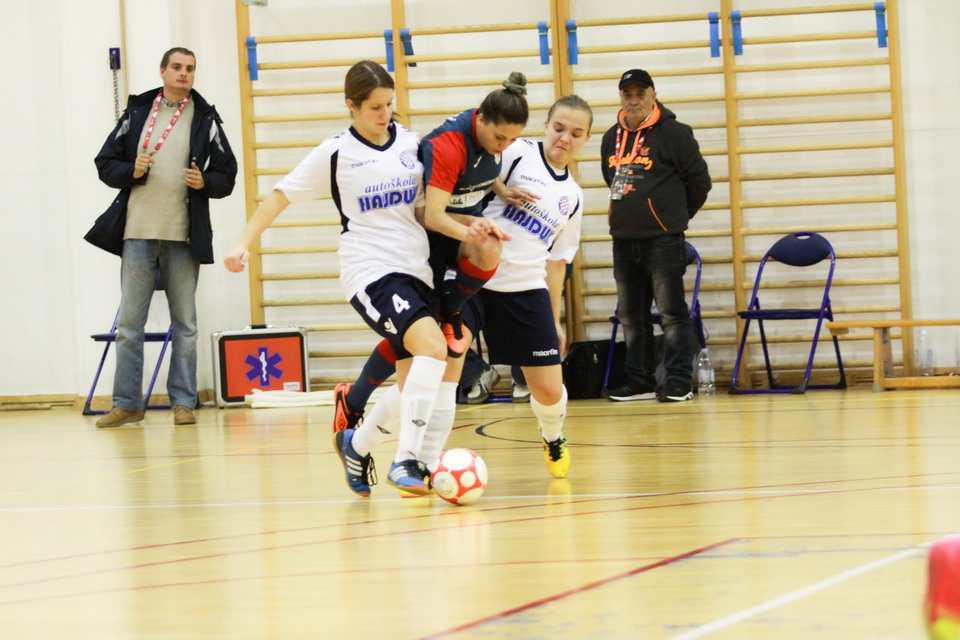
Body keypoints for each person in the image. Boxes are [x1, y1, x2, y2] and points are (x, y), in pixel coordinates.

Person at [223, 61, 500, 498]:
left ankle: (357, 443)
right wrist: (242, 243)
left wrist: (486, 209)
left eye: (389, 104)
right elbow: (278, 197)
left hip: (417, 269)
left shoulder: (411, 144)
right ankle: (408, 463)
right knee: (434, 347)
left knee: (431, 375)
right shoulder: (336, 153)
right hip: (370, 271)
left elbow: (444, 192)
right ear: (350, 106)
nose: (384, 113)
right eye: (374, 107)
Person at [345, 95, 593, 481]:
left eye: (576, 134)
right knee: (435, 368)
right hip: (472, 278)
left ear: (586, 139)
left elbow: (557, 261)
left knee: (547, 390)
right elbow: (466, 164)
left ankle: (553, 436)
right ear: (545, 125)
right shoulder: (513, 151)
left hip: (525, 290)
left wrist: (556, 317)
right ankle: (415, 462)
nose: (564, 138)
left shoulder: (573, 196)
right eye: (558, 128)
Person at [331, 74, 532, 433]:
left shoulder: (486, 134)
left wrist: (500, 188)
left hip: (449, 232)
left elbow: (480, 167)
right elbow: (432, 214)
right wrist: (471, 227)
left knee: (422, 340)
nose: (505, 146)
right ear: (481, 119)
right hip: (423, 242)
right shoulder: (448, 144)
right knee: (413, 344)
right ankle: (361, 412)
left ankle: (362, 410)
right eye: (501, 138)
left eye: (512, 140)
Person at [86, 47, 237, 428]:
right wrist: (130, 170)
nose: (184, 74)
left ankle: (183, 403)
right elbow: (105, 163)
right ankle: (126, 404)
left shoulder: (205, 117)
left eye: (190, 68)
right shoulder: (137, 111)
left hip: (184, 236)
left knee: (185, 324)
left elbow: (228, 173)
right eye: (177, 67)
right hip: (137, 233)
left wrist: (206, 182)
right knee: (129, 326)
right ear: (163, 71)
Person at [599, 69, 711, 403]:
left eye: (640, 94)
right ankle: (640, 380)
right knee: (632, 316)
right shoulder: (610, 137)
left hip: (663, 240)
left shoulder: (675, 133)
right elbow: (612, 179)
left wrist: (674, 219)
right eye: (627, 95)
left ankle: (678, 380)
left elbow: (700, 182)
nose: (633, 101)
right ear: (621, 98)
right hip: (623, 239)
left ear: (653, 95)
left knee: (672, 314)